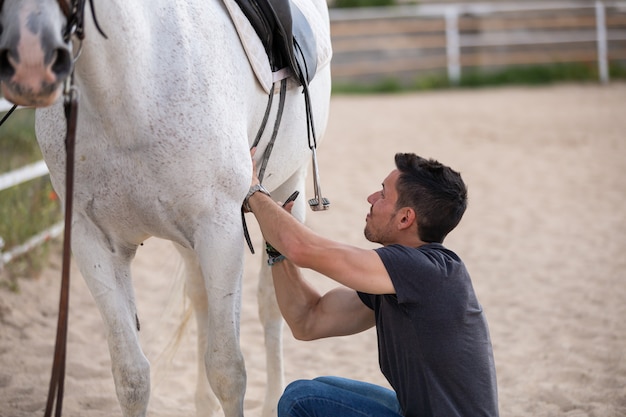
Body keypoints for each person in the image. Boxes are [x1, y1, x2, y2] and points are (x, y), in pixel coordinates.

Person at [244, 151, 499, 417]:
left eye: (383, 195)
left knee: (301, 399)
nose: (371, 199)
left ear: (405, 218)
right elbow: (308, 321)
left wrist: (253, 190)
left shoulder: (428, 270)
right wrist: (276, 250)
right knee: (323, 387)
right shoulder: (400, 282)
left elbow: (303, 248)